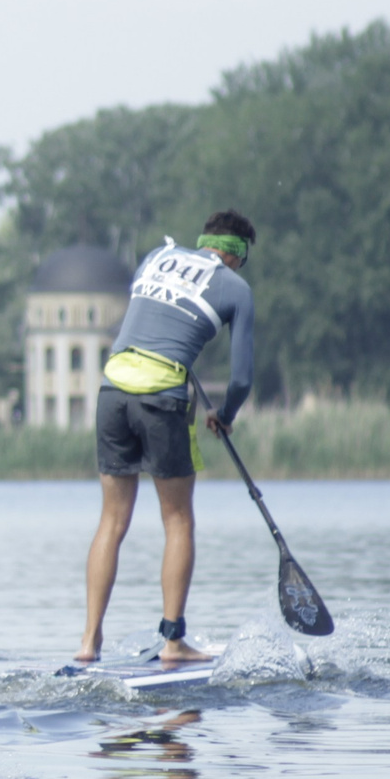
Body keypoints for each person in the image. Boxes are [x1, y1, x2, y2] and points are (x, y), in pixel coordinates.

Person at [77, 211, 258, 665]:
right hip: (161, 399)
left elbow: (154, 318)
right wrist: (225, 415)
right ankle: (174, 643)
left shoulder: (156, 256)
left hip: (112, 390)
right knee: (177, 521)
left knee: (111, 523)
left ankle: (87, 644)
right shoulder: (236, 288)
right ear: (236, 255)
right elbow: (241, 380)